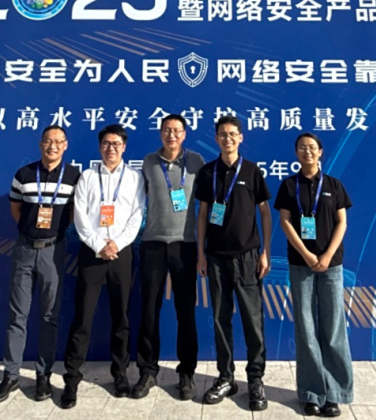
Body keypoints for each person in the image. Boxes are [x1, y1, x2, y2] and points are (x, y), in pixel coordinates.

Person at [0, 126, 81, 404]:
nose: (52, 146)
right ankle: (11, 375)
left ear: (66, 145)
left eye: (58, 141)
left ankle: (43, 375)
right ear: (41, 144)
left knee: (49, 316)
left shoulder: (74, 176)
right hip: (24, 250)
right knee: (17, 315)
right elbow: (16, 209)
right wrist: (31, 231)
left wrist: (52, 233)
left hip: (54, 251)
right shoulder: (24, 174)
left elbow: (74, 212)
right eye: (47, 141)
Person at [60, 124, 145, 409]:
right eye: (106, 143)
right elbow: (80, 216)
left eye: (116, 144)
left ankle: (120, 373)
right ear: (100, 147)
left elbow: (137, 215)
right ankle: (72, 378)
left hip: (122, 253)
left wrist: (116, 244)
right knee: (82, 318)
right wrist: (99, 245)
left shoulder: (134, 178)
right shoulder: (87, 176)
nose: (111, 148)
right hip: (92, 253)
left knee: (121, 317)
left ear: (124, 147)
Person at [194, 115, 272, 411]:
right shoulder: (208, 172)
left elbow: (265, 213)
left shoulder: (251, 170)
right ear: (216, 138)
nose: (227, 138)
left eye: (232, 134)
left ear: (240, 138)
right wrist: (201, 254)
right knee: (219, 318)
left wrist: (265, 252)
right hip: (215, 258)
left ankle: (256, 380)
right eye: (222, 134)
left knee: (253, 320)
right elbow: (203, 214)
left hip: (248, 257)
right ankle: (226, 377)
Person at [274, 133, 353, 418]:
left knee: (333, 328)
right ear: (296, 153)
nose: (307, 151)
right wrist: (307, 255)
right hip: (300, 264)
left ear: (320, 152)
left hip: (331, 265)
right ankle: (311, 393)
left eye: (311, 147)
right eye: (301, 148)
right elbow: (285, 222)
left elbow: (342, 222)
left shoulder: (334, 185)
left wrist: (327, 255)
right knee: (306, 330)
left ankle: (334, 393)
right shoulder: (289, 185)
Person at [132, 114, 206, 400]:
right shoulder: (149, 162)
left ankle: (186, 373)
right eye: (166, 130)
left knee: (185, 312)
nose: (171, 135)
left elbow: (206, 205)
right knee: (149, 310)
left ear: (184, 134)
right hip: (152, 244)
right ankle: (147, 371)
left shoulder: (196, 162)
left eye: (176, 130)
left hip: (184, 245)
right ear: (160, 133)